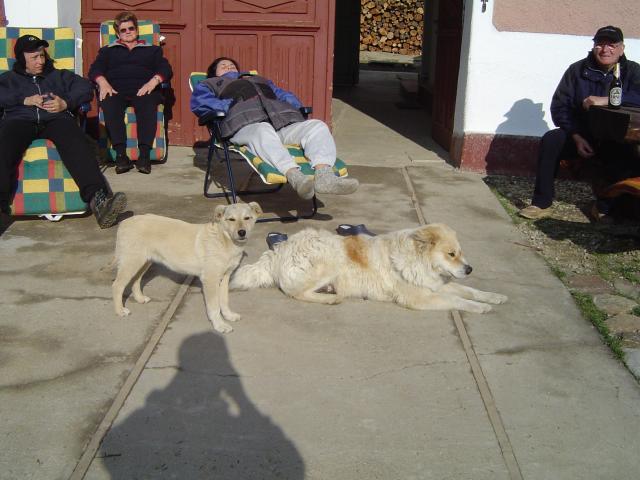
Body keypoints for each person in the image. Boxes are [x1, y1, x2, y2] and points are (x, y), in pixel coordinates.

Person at [0, 34, 127, 229]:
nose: (41, 61)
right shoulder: (8, 79)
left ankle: (99, 202)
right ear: (21, 58)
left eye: (42, 56)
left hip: (56, 119)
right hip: (19, 120)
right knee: (3, 148)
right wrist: (23, 100)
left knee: (77, 143)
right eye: (34, 57)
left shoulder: (58, 75)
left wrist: (66, 103)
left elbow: (85, 87)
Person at [190, 57, 359, 199]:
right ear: (214, 73)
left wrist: (292, 106)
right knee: (262, 130)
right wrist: (233, 105)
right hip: (244, 125)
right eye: (223, 66)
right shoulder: (208, 84)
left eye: (232, 65)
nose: (229, 67)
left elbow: (282, 94)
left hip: (280, 122)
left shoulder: (258, 79)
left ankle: (325, 176)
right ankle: (295, 177)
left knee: (317, 126)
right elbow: (201, 103)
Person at [519, 26, 640, 221]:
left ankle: (603, 206)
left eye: (611, 45)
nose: (605, 49)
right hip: (582, 133)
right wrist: (576, 136)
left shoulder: (632, 71)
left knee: (628, 155)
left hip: (616, 136)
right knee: (552, 140)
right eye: (600, 44)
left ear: (621, 48)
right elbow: (560, 106)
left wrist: (606, 100)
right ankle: (541, 203)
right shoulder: (577, 70)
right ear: (594, 47)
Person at [88, 11, 173, 174]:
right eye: (123, 30)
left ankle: (144, 156)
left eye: (131, 28)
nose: (128, 32)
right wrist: (102, 82)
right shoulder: (107, 51)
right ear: (117, 33)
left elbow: (165, 69)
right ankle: (121, 156)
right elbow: (95, 69)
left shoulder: (152, 50)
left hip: (143, 89)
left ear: (137, 29)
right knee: (109, 103)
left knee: (148, 102)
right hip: (115, 89)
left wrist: (153, 81)